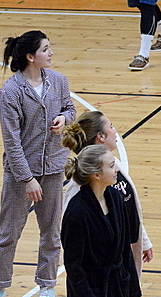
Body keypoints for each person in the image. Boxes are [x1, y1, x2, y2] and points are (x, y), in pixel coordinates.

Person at [0, 31, 75, 297]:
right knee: (9, 233)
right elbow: (11, 142)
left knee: (52, 233)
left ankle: (47, 285)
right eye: (46, 49)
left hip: (53, 169)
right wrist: (27, 179)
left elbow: (70, 108)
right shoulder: (11, 92)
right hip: (20, 175)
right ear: (30, 57)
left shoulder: (58, 81)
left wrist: (64, 118)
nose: (51, 53)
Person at [61, 112, 153, 280]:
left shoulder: (114, 164)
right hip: (105, 265)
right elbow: (72, 230)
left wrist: (143, 240)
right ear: (101, 136)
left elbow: (131, 205)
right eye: (111, 126)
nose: (115, 131)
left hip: (127, 251)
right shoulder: (82, 181)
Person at [61, 145, 141, 297]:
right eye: (111, 166)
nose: (117, 169)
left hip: (117, 289)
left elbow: (124, 247)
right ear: (96, 175)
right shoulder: (76, 213)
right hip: (90, 296)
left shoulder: (116, 197)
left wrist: (132, 286)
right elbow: (74, 268)